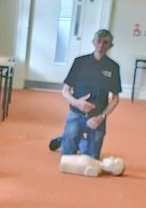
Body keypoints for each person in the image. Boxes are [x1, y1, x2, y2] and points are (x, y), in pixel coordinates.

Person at [52, 30, 121, 159]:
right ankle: (67, 139)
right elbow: (65, 91)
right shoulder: (79, 62)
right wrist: (77, 103)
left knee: (91, 158)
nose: (101, 46)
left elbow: (116, 99)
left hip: (97, 118)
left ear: (110, 46)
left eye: (105, 43)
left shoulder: (113, 67)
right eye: (98, 41)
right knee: (67, 157)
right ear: (93, 42)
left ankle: (73, 140)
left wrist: (101, 117)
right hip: (76, 113)